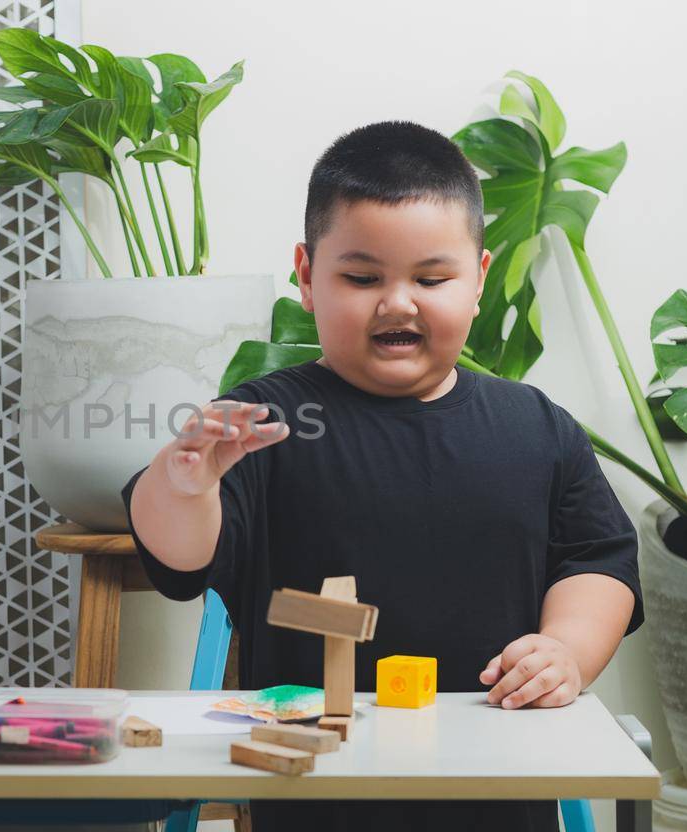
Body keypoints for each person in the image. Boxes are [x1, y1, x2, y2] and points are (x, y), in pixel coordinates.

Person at [123, 121, 643, 831]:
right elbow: (182, 562)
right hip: (317, 794)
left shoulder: (535, 427)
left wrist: (567, 651)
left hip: (497, 788)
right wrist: (183, 487)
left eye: (431, 279)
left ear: (480, 279)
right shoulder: (263, 422)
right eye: (362, 278)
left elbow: (597, 560)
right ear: (306, 277)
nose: (398, 302)